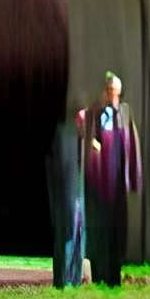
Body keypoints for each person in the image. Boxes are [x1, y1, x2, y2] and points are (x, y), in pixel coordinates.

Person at [82, 69, 140, 287]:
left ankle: (114, 275)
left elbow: (132, 145)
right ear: (104, 92)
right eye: (109, 91)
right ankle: (99, 274)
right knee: (99, 230)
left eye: (115, 92)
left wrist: (133, 178)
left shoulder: (125, 113)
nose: (112, 96)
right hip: (99, 184)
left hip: (117, 184)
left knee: (117, 231)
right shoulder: (94, 113)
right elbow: (87, 142)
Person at [49, 101, 89, 289]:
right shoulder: (64, 137)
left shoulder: (88, 141)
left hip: (81, 196)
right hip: (67, 197)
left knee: (79, 237)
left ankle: (75, 279)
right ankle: (63, 280)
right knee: (66, 237)